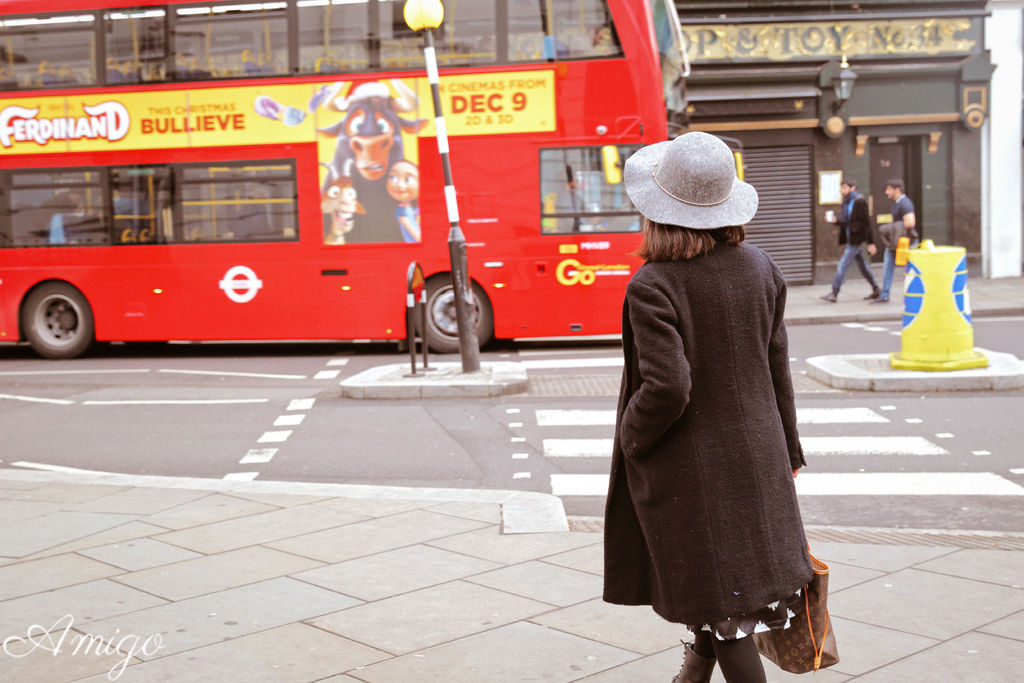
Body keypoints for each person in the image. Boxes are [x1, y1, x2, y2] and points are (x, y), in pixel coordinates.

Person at [603, 131, 812, 683]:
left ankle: (704, 667)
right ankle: (693, 674)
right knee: (724, 585)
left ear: (658, 211)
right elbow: (777, 370)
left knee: (724, 606)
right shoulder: (762, 267)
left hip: (695, 472)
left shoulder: (653, 284)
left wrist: (632, 436)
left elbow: (669, 386)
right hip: (758, 457)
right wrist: (788, 450)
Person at [820, 179, 880, 302]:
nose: (842, 191)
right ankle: (876, 288)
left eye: (845, 188)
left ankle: (834, 292)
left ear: (852, 188)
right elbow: (847, 222)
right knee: (862, 266)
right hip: (850, 238)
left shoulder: (859, 201)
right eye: (841, 188)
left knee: (842, 265)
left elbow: (866, 223)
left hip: (855, 240)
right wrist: (835, 221)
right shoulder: (847, 202)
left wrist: (871, 242)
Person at [875, 178, 918, 304]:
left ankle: (887, 294)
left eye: (889, 189)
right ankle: (885, 294)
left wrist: (893, 228)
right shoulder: (897, 203)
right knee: (888, 266)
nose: (886, 192)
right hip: (898, 244)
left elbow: (910, 222)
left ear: (897, 190)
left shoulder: (905, 203)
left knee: (911, 268)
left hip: (906, 244)